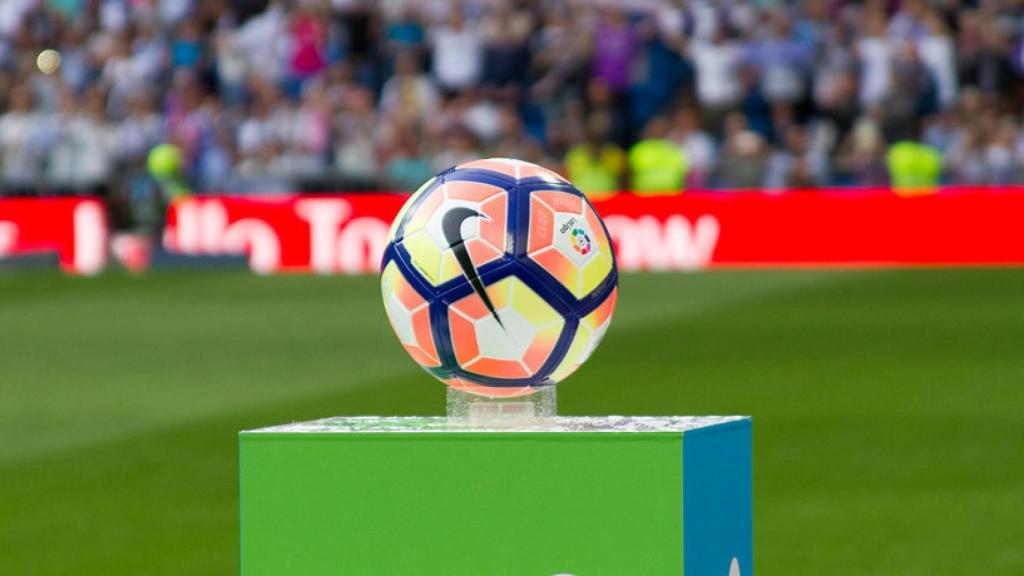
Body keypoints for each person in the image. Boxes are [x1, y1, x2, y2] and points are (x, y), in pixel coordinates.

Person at [564, 116, 626, 198]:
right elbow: (566, 183)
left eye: (599, 136)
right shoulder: (575, 156)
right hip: (583, 202)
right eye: (593, 135)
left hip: (610, 204)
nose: (596, 137)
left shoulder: (615, 155)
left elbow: (624, 183)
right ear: (588, 135)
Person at [628, 117, 687, 195]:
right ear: (648, 129)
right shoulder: (639, 149)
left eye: (661, 128)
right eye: (655, 128)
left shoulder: (675, 150)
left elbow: (682, 177)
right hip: (644, 197)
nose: (657, 130)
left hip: (670, 197)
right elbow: (630, 176)